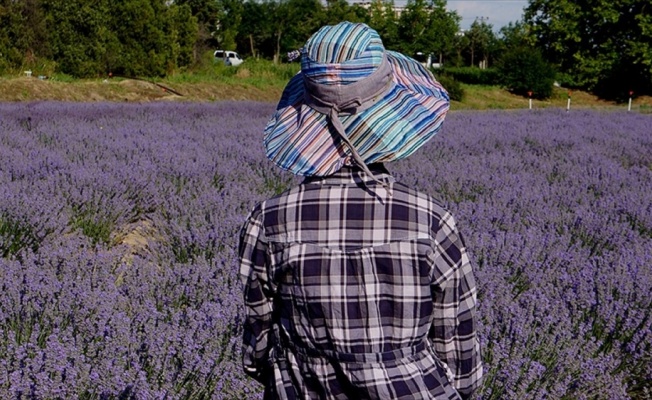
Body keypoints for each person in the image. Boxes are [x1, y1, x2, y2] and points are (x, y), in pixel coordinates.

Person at [238, 22, 482, 400]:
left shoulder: (270, 222)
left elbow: (258, 342)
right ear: (392, 118)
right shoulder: (430, 222)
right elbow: (459, 352)